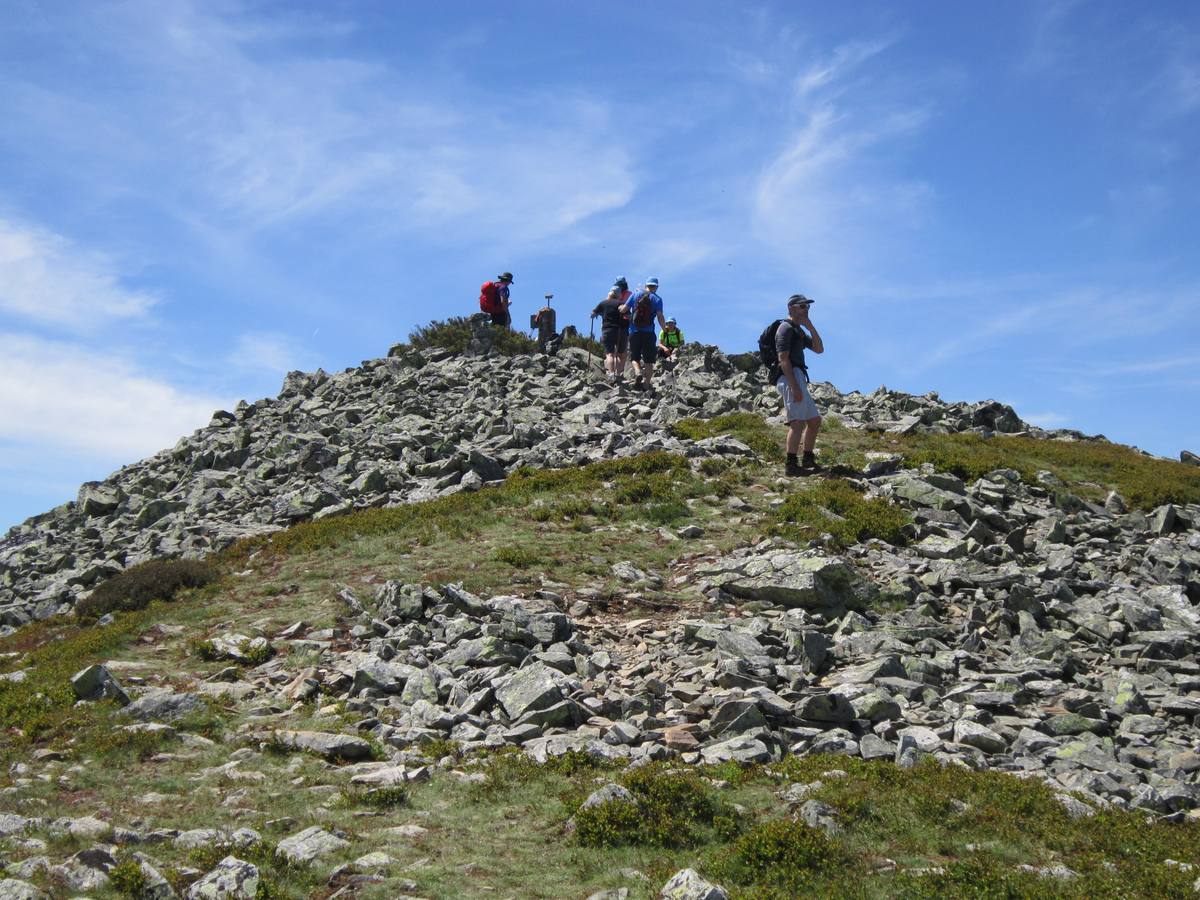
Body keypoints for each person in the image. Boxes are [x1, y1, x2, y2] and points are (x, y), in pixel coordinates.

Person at [775, 294, 824, 476]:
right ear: (792, 308)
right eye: (803, 306)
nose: (806, 310)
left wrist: (810, 327)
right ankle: (791, 465)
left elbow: (819, 349)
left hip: (797, 376)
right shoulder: (785, 328)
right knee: (797, 422)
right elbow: (783, 359)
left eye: (808, 307)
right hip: (789, 376)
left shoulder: (798, 330)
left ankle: (808, 459)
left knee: (814, 420)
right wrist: (794, 386)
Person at [621, 277, 667, 393]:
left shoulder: (635, 295)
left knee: (634, 357)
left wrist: (620, 307)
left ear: (646, 285)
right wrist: (664, 329)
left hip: (634, 332)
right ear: (656, 286)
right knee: (649, 361)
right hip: (649, 333)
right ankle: (646, 386)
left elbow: (623, 310)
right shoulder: (657, 299)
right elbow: (660, 316)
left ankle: (637, 372)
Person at [591, 277, 631, 383]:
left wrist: (596, 314)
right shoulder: (621, 304)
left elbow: (593, 314)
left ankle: (611, 373)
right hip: (620, 331)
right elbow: (629, 315)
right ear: (618, 294)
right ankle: (619, 374)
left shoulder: (603, 303)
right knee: (621, 354)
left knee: (610, 354)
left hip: (607, 330)